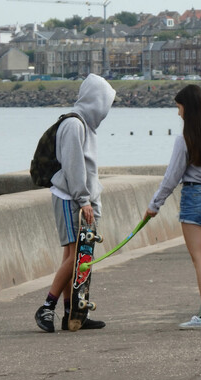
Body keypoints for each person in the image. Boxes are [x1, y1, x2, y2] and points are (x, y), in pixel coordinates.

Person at [144, 84, 201, 331]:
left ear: (189, 108)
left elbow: (172, 177)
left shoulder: (185, 139)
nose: (178, 113)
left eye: (179, 107)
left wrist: (154, 205)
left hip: (196, 196)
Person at [34, 74, 116, 333]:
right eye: (106, 102)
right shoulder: (75, 125)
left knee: (75, 256)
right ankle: (47, 306)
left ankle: (73, 314)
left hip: (78, 199)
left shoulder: (85, 127)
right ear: (96, 100)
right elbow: (73, 166)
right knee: (75, 257)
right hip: (71, 199)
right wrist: (84, 200)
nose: (106, 109)